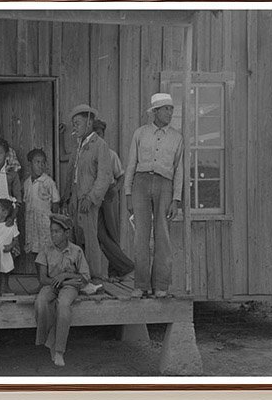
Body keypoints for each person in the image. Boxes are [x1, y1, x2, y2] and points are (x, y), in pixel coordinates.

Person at [124, 92, 184, 298]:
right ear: (155, 112)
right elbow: (131, 164)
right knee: (141, 235)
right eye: (166, 109)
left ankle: (160, 285)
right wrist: (128, 192)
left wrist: (176, 199)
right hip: (141, 183)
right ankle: (141, 285)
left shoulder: (177, 137)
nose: (170, 113)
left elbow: (179, 170)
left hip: (165, 185)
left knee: (162, 236)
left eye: (171, 109)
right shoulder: (140, 133)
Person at [60, 103, 113, 280]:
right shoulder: (78, 146)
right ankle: (78, 276)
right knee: (74, 236)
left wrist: (90, 198)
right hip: (75, 197)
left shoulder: (100, 145)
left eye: (78, 123)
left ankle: (95, 277)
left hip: (87, 199)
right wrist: (67, 197)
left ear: (89, 123)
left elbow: (104, 177)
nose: (74, 127)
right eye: (73, 123)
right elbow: (71, 174)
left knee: (90, 239)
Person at [34, 214, 91, 368]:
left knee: (63, 305)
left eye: (57, 232)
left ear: (67, 233)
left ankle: (58, 349)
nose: (53, 235)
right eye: (52, 231)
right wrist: (58, 281)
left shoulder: (76, 251)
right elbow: (42, 278)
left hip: (70, 287)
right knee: (41, 302)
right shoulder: (46, 250)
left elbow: (85, 277)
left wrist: (65, 276)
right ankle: (50, 340)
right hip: (51, 285)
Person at [92, 119, 135, 281]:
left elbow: (121, 175)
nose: (97, 137)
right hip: (94, 195)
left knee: (112, 233)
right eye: (94, 134)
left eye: (100, 134)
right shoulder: (87, 154)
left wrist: (115, 190)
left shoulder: (110, 154)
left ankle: (114, 273)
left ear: (103, 135)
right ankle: (127, 266)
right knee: (100, 234)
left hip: (109, 195)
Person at [23, 147, 60, 255]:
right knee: (34, 249)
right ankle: (39, 272)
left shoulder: (48, 182)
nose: (41, 165)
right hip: (31, 222)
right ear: (30, 164)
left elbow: (55, 201)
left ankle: (48, 272)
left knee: (46, 249)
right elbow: (26, 202)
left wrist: (53, 219)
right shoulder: (26, 183)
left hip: (45, 222)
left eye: (43, 162)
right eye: (37, 162)